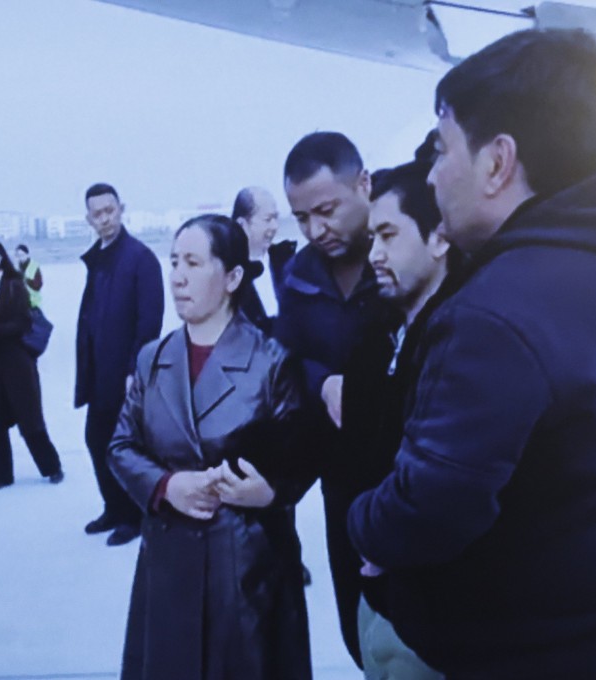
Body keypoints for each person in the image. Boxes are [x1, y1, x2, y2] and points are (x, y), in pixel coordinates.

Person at [348, 29, 596, 679]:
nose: (435, 175)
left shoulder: (492, 315)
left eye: (444, 151)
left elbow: (429, 508)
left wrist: (364, 525)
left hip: (519, 653)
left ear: (498, 163)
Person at [109, 214, 311, 680]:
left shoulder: (270, 361)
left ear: (233, 277)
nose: (177, 276)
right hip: (169, 562)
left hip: (245, 569)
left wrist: (272, 491)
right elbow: (121, 444)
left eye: (194, 263)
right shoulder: (153, 359)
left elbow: (300, 457)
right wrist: (166, 485)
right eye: (174, 261)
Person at [275, 131, 391, 666]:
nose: (316, 230)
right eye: (301, 218)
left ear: (362, 184)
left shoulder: (407, 245)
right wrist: (322, 380)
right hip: (340, 478)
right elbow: (290, 354)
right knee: (356, 625)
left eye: (326, 210)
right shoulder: (298, 274)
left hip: (410, 471)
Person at [341, 159, 457, 680]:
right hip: (378, 592)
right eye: (371, 237)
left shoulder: (462, 345)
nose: (375, 254)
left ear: (439, 238)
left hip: (432, 613)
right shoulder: (380, 331)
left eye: (388, 234)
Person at [76, 183, 164, 546]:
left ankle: (133, 516)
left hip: (125, 373)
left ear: (121, 208)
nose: (104, 219)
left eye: (109, 210)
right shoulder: (97, 258)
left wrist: (135, 369)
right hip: (98, 371)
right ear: (88, 218)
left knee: (124, 446)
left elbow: (149, 321)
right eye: (97, 214)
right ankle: (113, 507)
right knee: (95, 440)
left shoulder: (140, 258)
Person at [0, 235, 64, 490]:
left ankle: (51, 467)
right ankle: (0, 474)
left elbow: (23, 322)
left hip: (16, 358)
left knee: (29, 417)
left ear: (1, 255)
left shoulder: (14, 284)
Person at [231, 186, 296, 334]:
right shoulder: (226, 275)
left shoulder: (289, 262)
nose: (275, 226)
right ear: (242, 224)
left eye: (275, 218)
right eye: (267, 219)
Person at [14, 244, 43, 310]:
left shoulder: (34, 266)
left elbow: (38, 285)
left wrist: (26, 280)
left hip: (33, 303)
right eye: (18, 256)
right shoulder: (17, 267)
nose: (20, 258)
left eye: (22, 255)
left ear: (27, 254)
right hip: (20, 303)